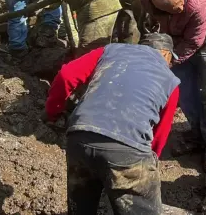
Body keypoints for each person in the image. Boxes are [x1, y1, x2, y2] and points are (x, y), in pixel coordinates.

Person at [44, 33, 180, 215]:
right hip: (128, 150)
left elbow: (66, 75)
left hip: (80, 136)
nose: (170, 65)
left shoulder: (110, 51)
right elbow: (160, 134)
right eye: (171, 60)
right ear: (166, 54)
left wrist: (53, 111)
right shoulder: (170, 80)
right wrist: (148, 163)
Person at [141, 0, 206, 169]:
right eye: (173, 10)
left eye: (180, 7)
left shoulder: (198, 4)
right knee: (184, 94)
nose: (179, 10)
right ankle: (197, 135)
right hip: (173, 41)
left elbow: (194, 42)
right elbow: (146, 21)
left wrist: (170, 60)